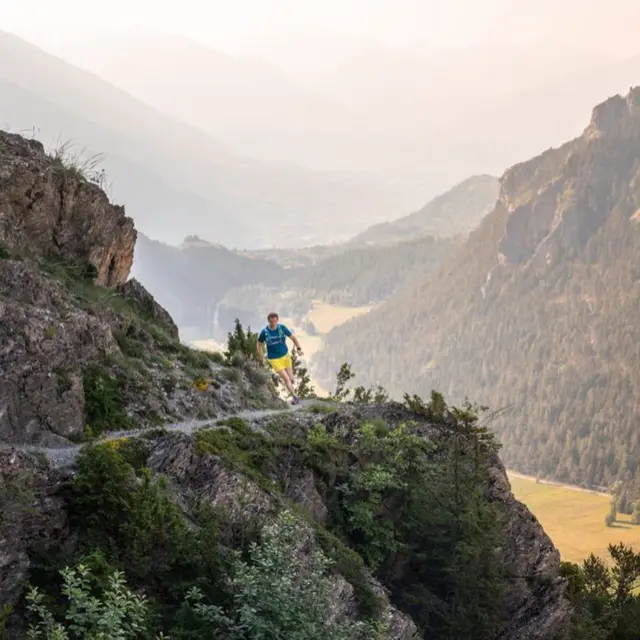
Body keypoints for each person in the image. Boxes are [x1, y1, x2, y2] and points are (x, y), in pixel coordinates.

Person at [257, 312, 304, 405]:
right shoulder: (264, 332)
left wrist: (299, 349)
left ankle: (276, 376)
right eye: (271, 322)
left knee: (291, 379)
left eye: (275, 321)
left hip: (285, 356)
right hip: (274, 359)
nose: (273, 323)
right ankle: (295, 398)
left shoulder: (282, 328)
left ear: (277, 320)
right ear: (268, 321)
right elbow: (259, 345)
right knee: (286, 379)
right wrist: (262, 358)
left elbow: (293, 338)